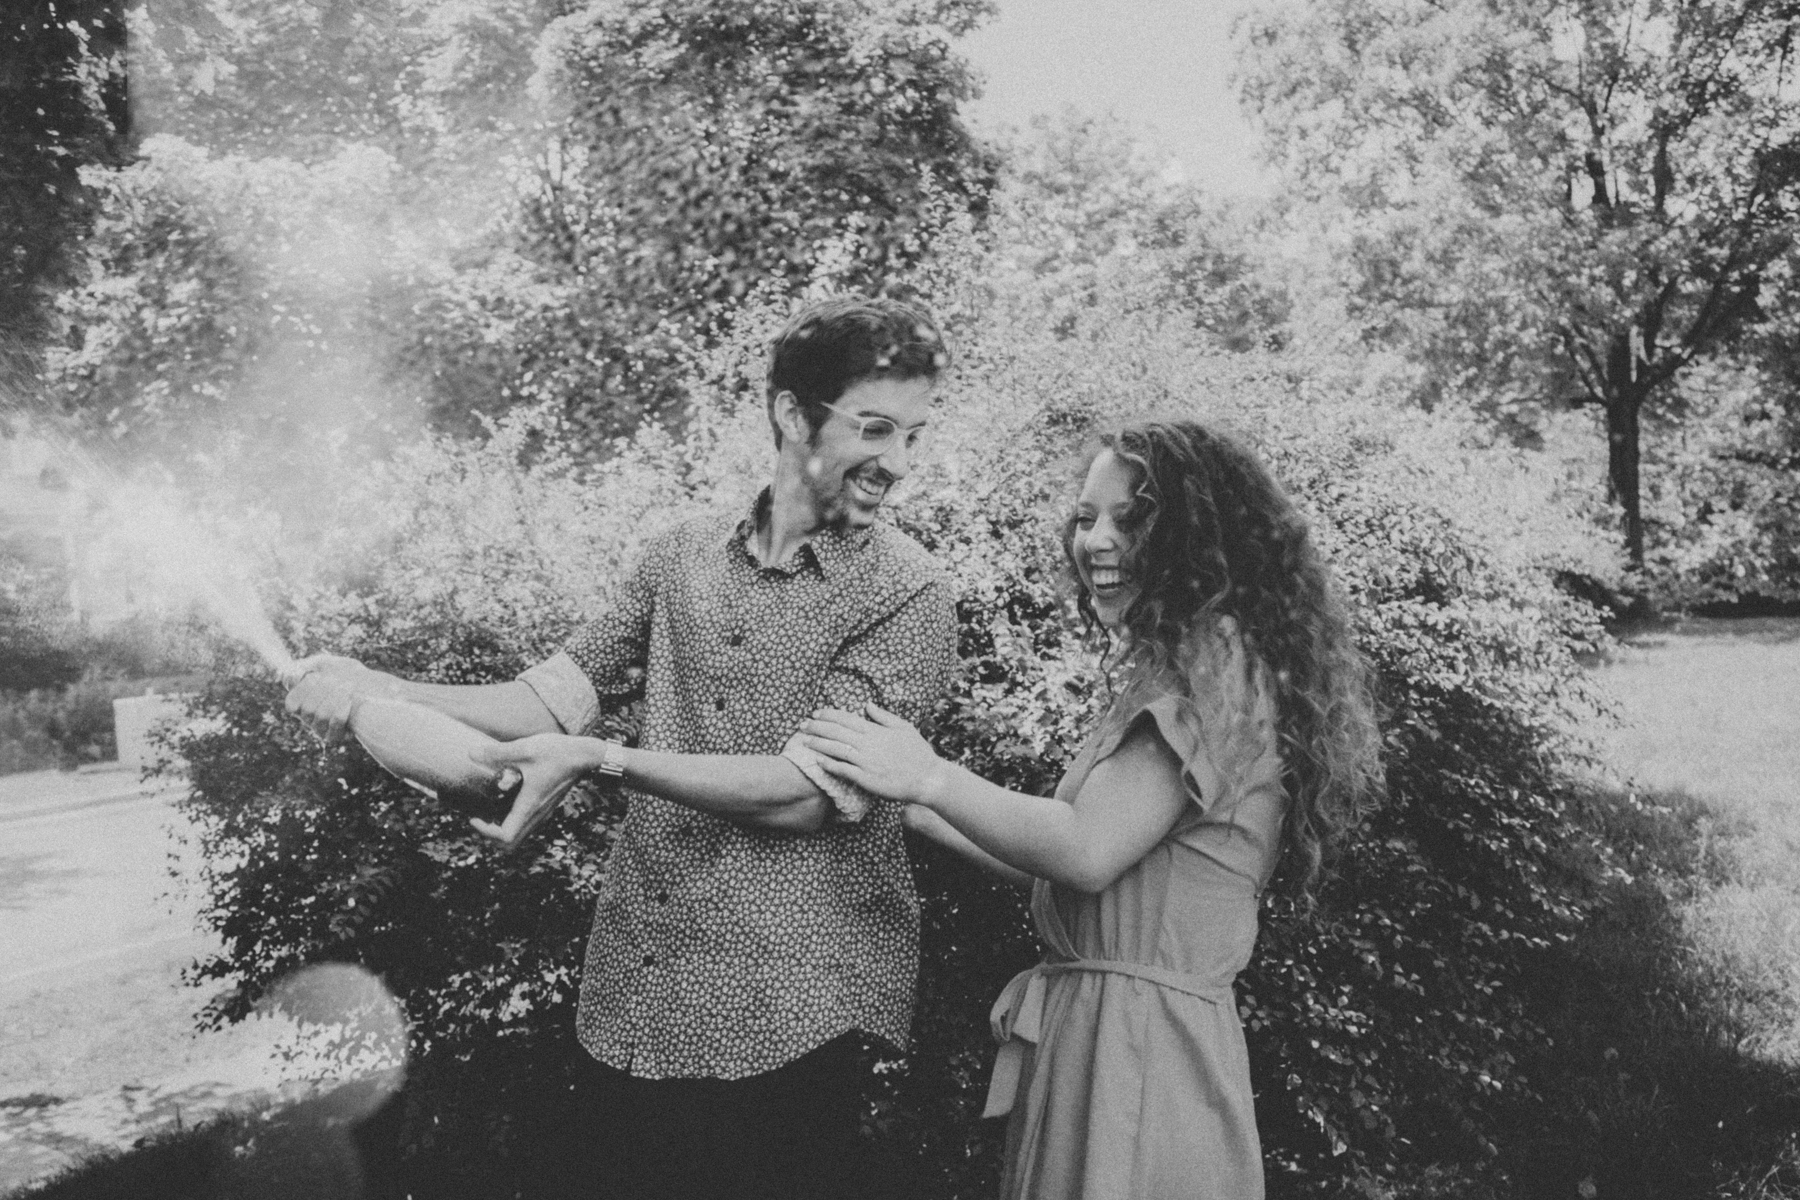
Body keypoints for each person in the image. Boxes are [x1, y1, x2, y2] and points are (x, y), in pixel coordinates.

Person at [284, 295, 959, 1200]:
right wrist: (379, 686)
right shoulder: (679, 557)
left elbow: (809, 794)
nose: (898, 462)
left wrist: (605, 760)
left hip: (793, 1013)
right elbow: (548, 698)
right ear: (792, 413)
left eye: (914, 436)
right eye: (875, 428)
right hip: (638, 991)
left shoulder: (909, 593)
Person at [800, 419, 1383, 1200]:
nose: (1096, 540)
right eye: (1084, 517)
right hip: (1116, 1041)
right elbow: (1082, 872)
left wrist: (929, 776)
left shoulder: (1210, 673)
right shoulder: (1190, 667)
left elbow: (1084, 849)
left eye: (1130, 519)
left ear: (1197, 539)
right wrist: (912, 809)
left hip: (1139, 1057)